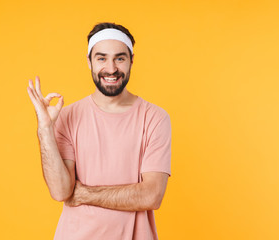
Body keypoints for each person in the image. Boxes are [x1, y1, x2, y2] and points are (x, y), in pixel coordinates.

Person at [27, 22, 172, 240]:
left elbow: (151, 195)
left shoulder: (154, 118)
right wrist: (45, 129)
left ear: (131, 60)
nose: (111, 69)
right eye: (102, 58)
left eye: (120, 58)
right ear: (89, 61)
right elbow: (60, 191)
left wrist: (84, 193)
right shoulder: (68, 116)